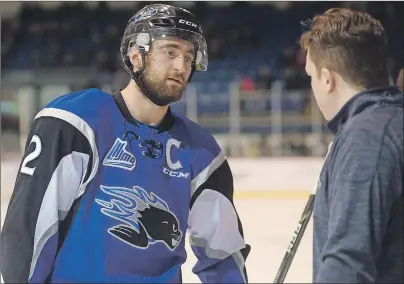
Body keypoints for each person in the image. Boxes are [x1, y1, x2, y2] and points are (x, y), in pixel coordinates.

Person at [0, 4, 250, 283]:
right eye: (170, 52)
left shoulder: (202, 152)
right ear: (135, 56)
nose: (181, 66)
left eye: (189, 57)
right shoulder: (76, 122)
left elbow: (222, 254)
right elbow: (27, 233)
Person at [299, 8, 403, 283]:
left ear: (327, 79)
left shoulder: (367, 140)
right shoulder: (388, 124)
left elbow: (348, 264)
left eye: (311, 76)